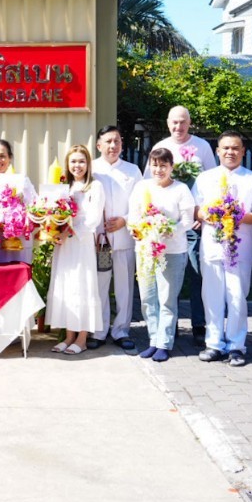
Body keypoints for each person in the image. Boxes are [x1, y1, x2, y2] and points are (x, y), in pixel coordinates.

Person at [194, 132, 252, 367]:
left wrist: (237, 216)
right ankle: (213, 344)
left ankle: (236, 345)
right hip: (212, 246)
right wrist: (210, 214)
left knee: (236, 298)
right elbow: (196, 210)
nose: (230, 152)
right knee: (211, 297)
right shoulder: (205, 177)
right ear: (217, 151)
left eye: (235, 148)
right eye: (225, 148)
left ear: (243, 151)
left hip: (239, 248)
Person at [153, 105, 216, 344]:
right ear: (168, 123)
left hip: (195, 224)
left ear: (189, 123)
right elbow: (153, 185)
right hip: (167, 224)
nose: (178, 127)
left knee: (196, 274)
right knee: (169, 275)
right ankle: (171, 323)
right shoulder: (161, 146)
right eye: (174, 122)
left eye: (182, 122)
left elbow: (212, 181)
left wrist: (200, 213)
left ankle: (199, 324)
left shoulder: (202, 147)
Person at [127, 147, 195, 362]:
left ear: (171, 167)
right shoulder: (141, 187)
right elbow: (133, 216)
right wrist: (138, 228)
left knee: (166, 298)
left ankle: (164, 343)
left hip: (172, 251)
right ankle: (153, 340)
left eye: (163, 165)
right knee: (148, 298)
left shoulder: (181, 189)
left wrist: (166, 229)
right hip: (146, 251)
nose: (159, 169)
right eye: (155, 165)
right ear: (150, 166)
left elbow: (187, 221)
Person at [47, 145, 105, 355]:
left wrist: (68, 233)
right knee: (66, 286)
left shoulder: (95, 187)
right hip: (64, 245)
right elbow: (54, 212)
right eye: (73, 161)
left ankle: (81, 338)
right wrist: (52, 229)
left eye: (81, 161)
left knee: (82, 286)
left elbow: (92, 220)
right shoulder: (63, 186)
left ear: (88, 163)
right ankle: (69, 335)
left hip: (81, 243)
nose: (77, 166)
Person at [91, 124, 141, 351]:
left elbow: (142, 205)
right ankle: (99, 331)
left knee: (125, 286)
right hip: (100, 242)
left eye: (117, 141)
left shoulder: (132, 171)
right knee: (100, 285)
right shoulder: (91, 169)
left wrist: (125, 220)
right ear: (99, 145)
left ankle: (121, 330)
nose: (113, 146)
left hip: (124, 238)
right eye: (108, 141)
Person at [0, 138, 36, 263]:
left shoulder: (22, 179)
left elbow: (33, 204)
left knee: (20, 274)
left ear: (9, 158)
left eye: (2, 156)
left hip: (19, 238)